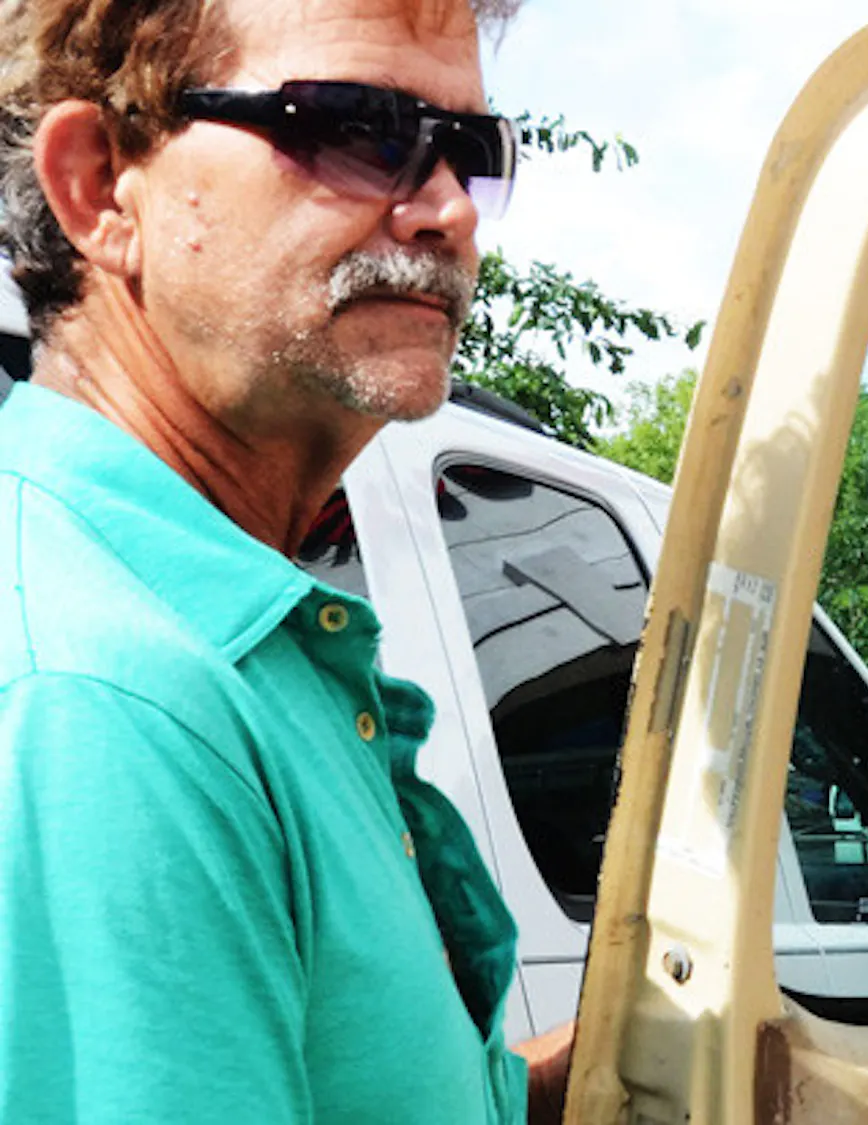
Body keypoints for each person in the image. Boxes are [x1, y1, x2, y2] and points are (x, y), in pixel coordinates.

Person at [0, 0, 570, 1120]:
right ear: (101, 185)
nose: (448, 209)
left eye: (473, 150)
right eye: (358, 129)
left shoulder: (223, 634)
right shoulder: (103, 701)